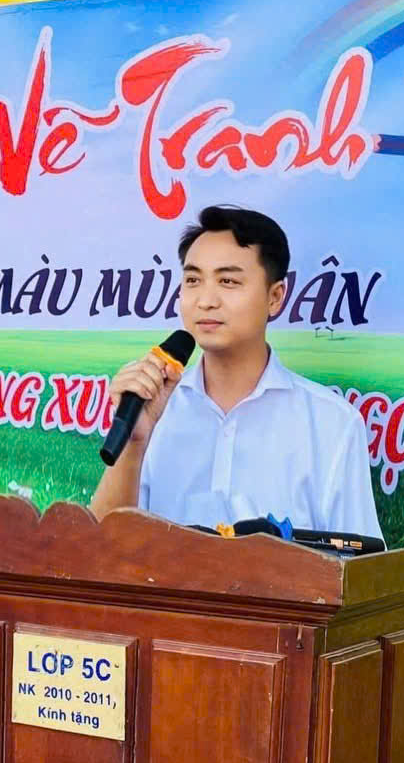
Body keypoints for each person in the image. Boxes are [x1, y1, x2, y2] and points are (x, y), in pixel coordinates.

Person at [89, 204, 382, 539]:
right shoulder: (153, 408)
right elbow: (98, 547)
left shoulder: (332, 423)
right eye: (193, 280)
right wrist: (135, 442)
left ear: (275, 297)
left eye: (227, 281)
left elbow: (358, 557)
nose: (205, 300)